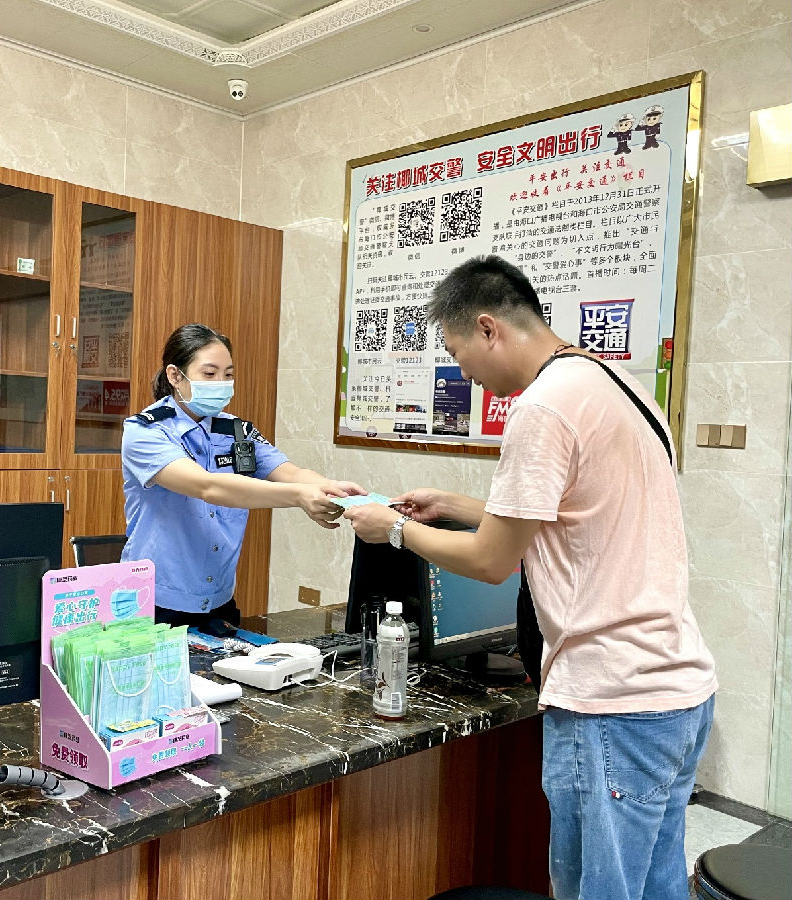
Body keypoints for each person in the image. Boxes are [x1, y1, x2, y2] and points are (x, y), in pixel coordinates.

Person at [344, 256, 717, 900]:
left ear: (488, 328)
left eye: (456, 352)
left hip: (612, 700)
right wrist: (451, 505)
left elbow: (493, 561)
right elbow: (567, 517)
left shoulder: (542, 407)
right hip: (677, 691)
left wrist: (395, 529)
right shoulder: (614, 384)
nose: (463, 374)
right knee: (655, 884)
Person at [121, 323, 364, 631]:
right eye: (209, 374)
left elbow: (289, 472)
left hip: (218, 599)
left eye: (228, 374)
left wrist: (329, 487)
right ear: (175, 376)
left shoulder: (237, 430)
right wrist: (299, 497)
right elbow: (207, 486)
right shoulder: (145, 431)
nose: (221, 383)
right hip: (155, 602)